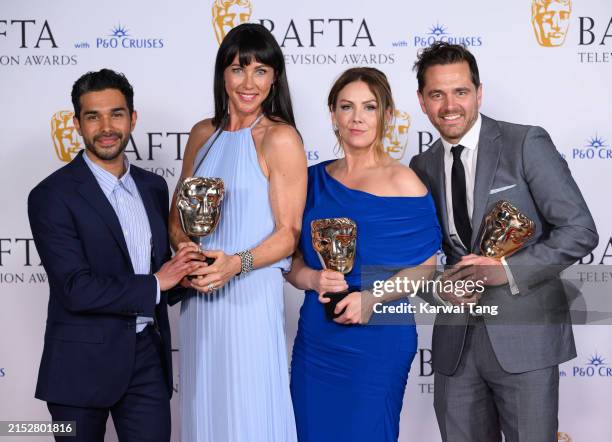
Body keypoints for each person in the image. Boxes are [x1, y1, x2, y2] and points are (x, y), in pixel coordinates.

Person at [409, 42, 598, 442]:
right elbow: (424, 257)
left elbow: (579, 229)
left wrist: (507, 270)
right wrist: (439, 289)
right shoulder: (421, 166)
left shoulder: (525, 143)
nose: (449, 105)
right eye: (437, 94)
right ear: (422, 102)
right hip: (455, 348)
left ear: (479, 93)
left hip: (525, 341)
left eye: (460, 92)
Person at [28, 69, 201, 442]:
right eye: (93, 116)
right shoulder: (51, 196)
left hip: (146, 363)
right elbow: (76, 289)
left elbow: (159, 280)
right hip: (77, 370)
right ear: (77, 123)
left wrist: (188, 276)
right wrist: (158, 281)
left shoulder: (154, 187)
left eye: (116, 114)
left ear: (132, 119)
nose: (106, 126)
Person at [285, 67, 441, 442]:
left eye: (369, 107)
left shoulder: (404, 182)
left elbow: (426, 268)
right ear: (333, 114)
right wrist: (312, 278)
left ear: (387, 115)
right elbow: (290, 260)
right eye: (346, 106)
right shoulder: (310, 179)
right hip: (318, 339)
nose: (357, 118)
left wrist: (372, 298)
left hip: (379, 340)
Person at [168, 23, 306, 442]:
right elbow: (177, 215)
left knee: (250, 413)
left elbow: (288, 233)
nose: (249, 83)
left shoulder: (279, 138)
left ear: (274, 77)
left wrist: (235, 264)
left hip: (249, 296)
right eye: (238, 69)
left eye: (260, 70)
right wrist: (187, 253)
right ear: (222, 75)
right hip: (200, 296)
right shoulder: (201, 135)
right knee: (205, 412)